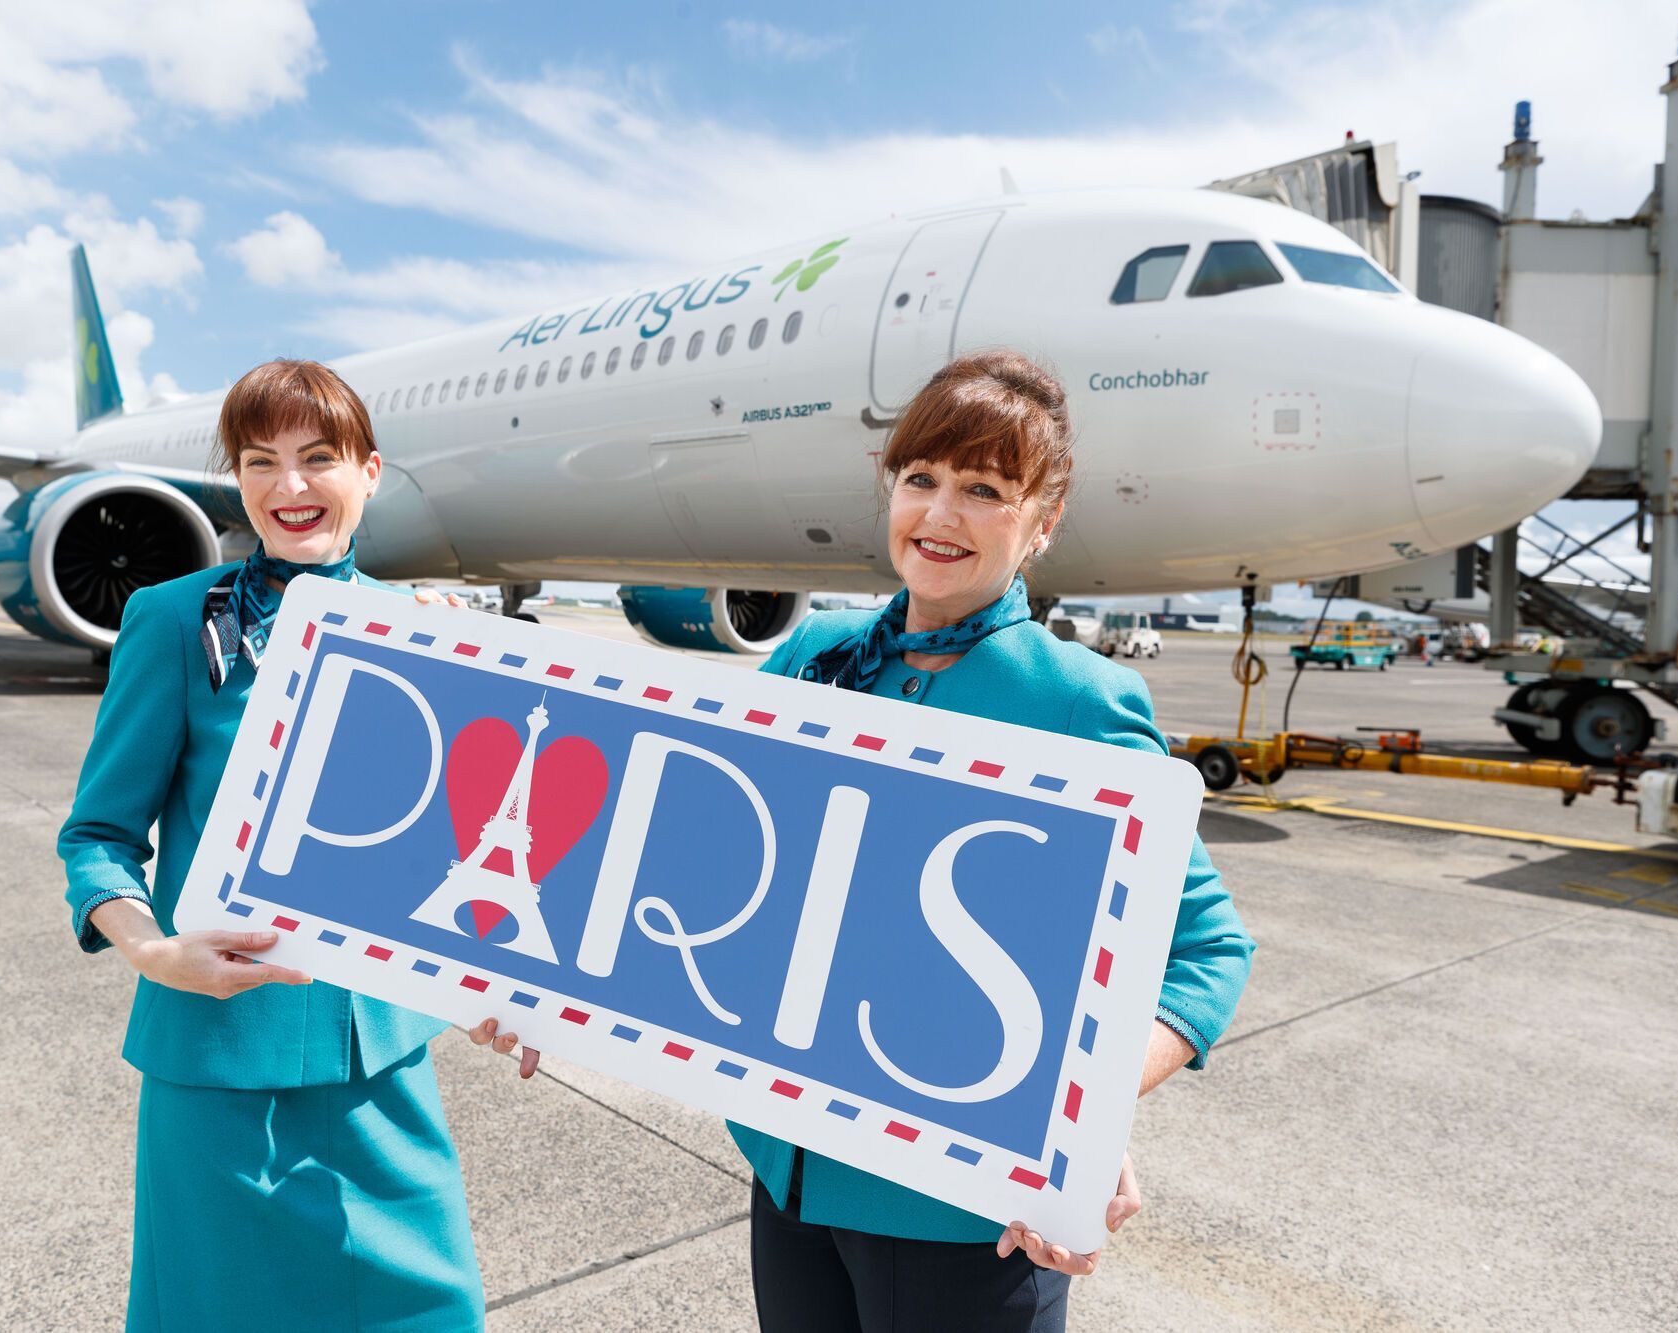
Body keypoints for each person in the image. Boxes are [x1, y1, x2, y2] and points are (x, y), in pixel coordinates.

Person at [479, 349, 1256, 1330]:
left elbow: (1206, 952)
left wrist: (1082, 1121)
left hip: (959, 1212)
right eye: (919, 479)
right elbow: (693, 850)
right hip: (790, 1178)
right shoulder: (814, 653)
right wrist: (541, 980)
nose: (938, 515)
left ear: (1040, 523)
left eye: (983, 489)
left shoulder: (1075, 701)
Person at [57, 359, 485, 1331]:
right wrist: (154, 951)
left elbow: (458, 854)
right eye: (262, 461)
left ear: (369, 472)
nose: (290, 487)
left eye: (318, 458)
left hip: (380, 1060)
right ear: (239, 480)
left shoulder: (426, 628)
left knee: (433, 1308)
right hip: (215, 1061)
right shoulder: (172, 620)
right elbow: (97, 834)